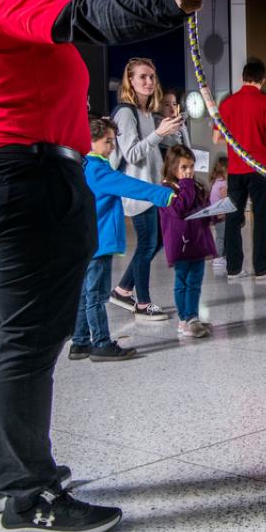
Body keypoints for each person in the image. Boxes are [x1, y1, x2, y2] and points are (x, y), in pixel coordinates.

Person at [0, 0, 204, 532]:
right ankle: (27, 497)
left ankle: (3, 476)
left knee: (12, 332)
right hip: (23, 176)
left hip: (9, 175)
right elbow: (86, 15)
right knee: (31, 341)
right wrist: (167, 4)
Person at [70, 118, 176, 363]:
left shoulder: (81, 166)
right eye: (107, 142)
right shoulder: (97, 169)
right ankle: (101, 343)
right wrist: (162, 194)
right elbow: (127, 185)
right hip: (99, 244)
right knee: (96, 296)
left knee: (85, 295)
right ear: (90, 141)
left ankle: (79, 342)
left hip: (86, 242)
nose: (112, 147)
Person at [109, 57, 187, 321]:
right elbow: (131, 154)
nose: (149, 82)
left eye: (152, 77)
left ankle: (122, 290)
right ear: (130, 80)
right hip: (136, 190)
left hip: (152, 189)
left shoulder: (148, 115)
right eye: (142, 76)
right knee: (146, 244)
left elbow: (170, 147)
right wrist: (158, 133)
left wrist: (171, 127)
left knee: (158, 241)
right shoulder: (125, 112)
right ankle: (142, 304)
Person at [214, 60, 266, 280]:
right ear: (262, 80)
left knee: (234, 218)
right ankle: (262, 268)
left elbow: (216, 138)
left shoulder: (227, 103)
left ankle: (234, 269)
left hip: (235, 170)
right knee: (262, 218)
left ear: (242, 78)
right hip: (262, 170)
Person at [159, 145, 217, 338]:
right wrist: (186, 185)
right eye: (183, 167)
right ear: (172, 167)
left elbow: (201, 210)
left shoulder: (195, 186)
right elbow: (180, 209)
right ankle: (184, 320)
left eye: (191, 166)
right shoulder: (167, 189)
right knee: (182, 281)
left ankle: (193, 317)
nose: (189, 171)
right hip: (180, 244)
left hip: (197, 241)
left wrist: (215, 215)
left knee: (195, 282)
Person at [208, 155, 229, 275]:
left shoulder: (216, 182)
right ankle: (218, 257)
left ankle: (220, 256)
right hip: (221, 216)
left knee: (221, 236)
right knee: (222, 237)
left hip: (216, 215)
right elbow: (225, 200)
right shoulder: (223, 184)